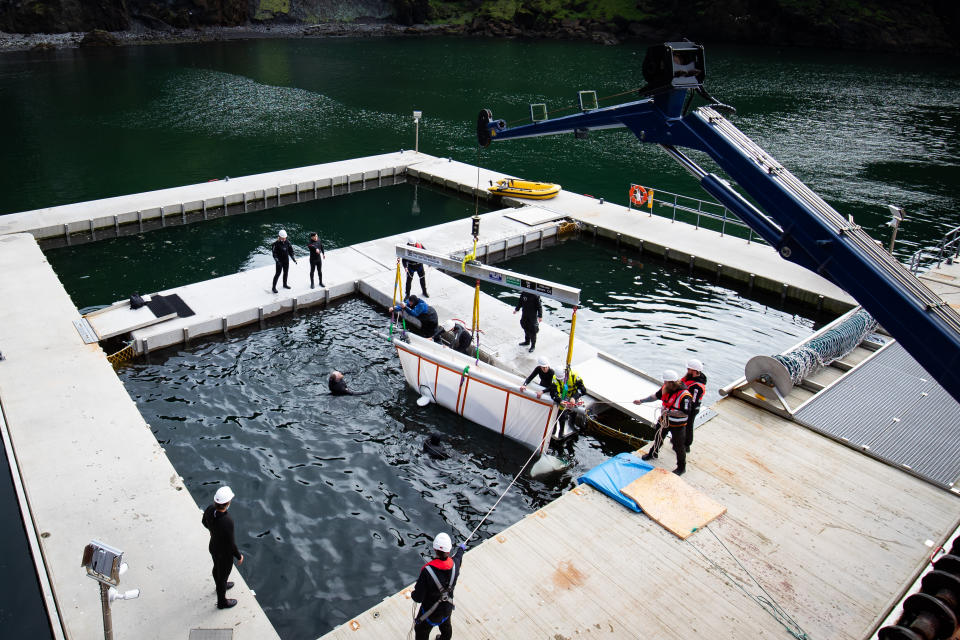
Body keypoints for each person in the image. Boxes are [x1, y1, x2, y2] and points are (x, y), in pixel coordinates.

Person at [634, 370, 692, 475]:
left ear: (671, 382)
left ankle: (681, 467)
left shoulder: (685, 396)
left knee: (678, 446)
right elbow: (654, 397)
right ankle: (653, 453)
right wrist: (641, 401)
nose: (664, 384)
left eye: (666, 382)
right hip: (664, 421)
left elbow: (686, 413)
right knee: (658, 437)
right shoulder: (666, 388)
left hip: (678, 425)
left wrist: (670, 412)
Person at [412, 532, 465, 640]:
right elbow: (459, 557)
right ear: (449, 550)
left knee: (420, 630)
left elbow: (418, 598)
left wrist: (413, 594)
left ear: (435, 549)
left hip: (429, 613)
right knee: (446, 627)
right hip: (447, 608)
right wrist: (461, 549)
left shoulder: (427, 571)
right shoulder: (455, 565)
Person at [201, 486, 244, 610]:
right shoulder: (227, 521)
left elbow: (204, 522)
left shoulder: (210, 509)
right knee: (223, 577)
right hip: (224, 554)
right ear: (228, 503)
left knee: (216, 568)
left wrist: (212, 531)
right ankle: (222, 602)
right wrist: (238, 555)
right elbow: (230, 544)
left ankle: (219, 586)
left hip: (213, 547)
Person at [549, 368, 586, 444]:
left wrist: (574, 397)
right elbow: (553, 393)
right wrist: (560, 400)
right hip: (561, 398)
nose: (562, 381)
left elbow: (582, 389)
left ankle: (566, 427)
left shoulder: (574, 376)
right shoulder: (555, 379)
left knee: (568, 414)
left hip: (572, 396)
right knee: (558, 414)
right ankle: (555, 429)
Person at [681, 358, 707, 452]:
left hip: (692, 408)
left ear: (695, 371)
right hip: (685, 404)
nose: (687, 371)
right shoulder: (691, 377)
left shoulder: (697, 386)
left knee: (688, 425)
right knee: (683, 424)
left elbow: (694, 401)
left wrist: (685, 409)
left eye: (689, 370)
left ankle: (687, 445)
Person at [271, 229, 297, 293]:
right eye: (282, 238)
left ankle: (285, 284)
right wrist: (277, 261)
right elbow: (274, 254)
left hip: (286, 261)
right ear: (279, 237)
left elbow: (291, 251)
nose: (284, 239)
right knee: (277, 274)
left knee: (286, 272)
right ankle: (273, 287)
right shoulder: (275, 244)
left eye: (285, 238)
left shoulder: (287, 242)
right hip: (279, 262)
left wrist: (293, 258)